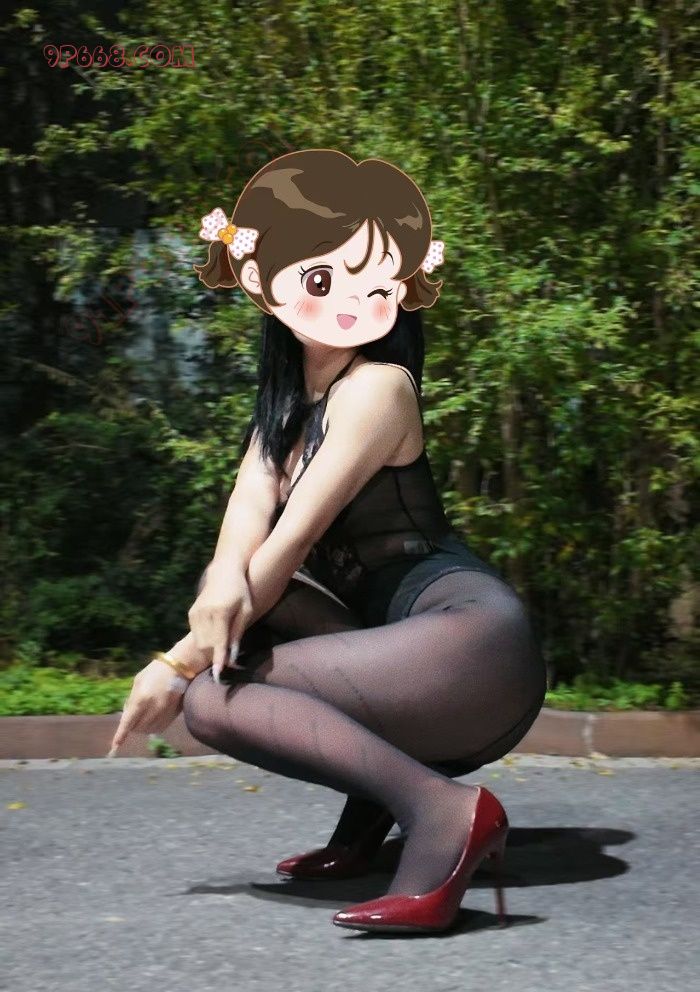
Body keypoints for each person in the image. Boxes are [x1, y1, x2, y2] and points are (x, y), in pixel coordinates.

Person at [110, 149, 547, 934]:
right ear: (261, 281)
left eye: (375, 284)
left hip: (471, 648)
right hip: (401, 645)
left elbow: (283, 549)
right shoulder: (284, 413)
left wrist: (172, 666)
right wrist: (219, 584)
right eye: (323, 278)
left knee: (211, 697)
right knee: (239, 618)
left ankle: (444, 813)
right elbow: (243, 533)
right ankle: (370, 816)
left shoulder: (378, 388)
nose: (352, 302)